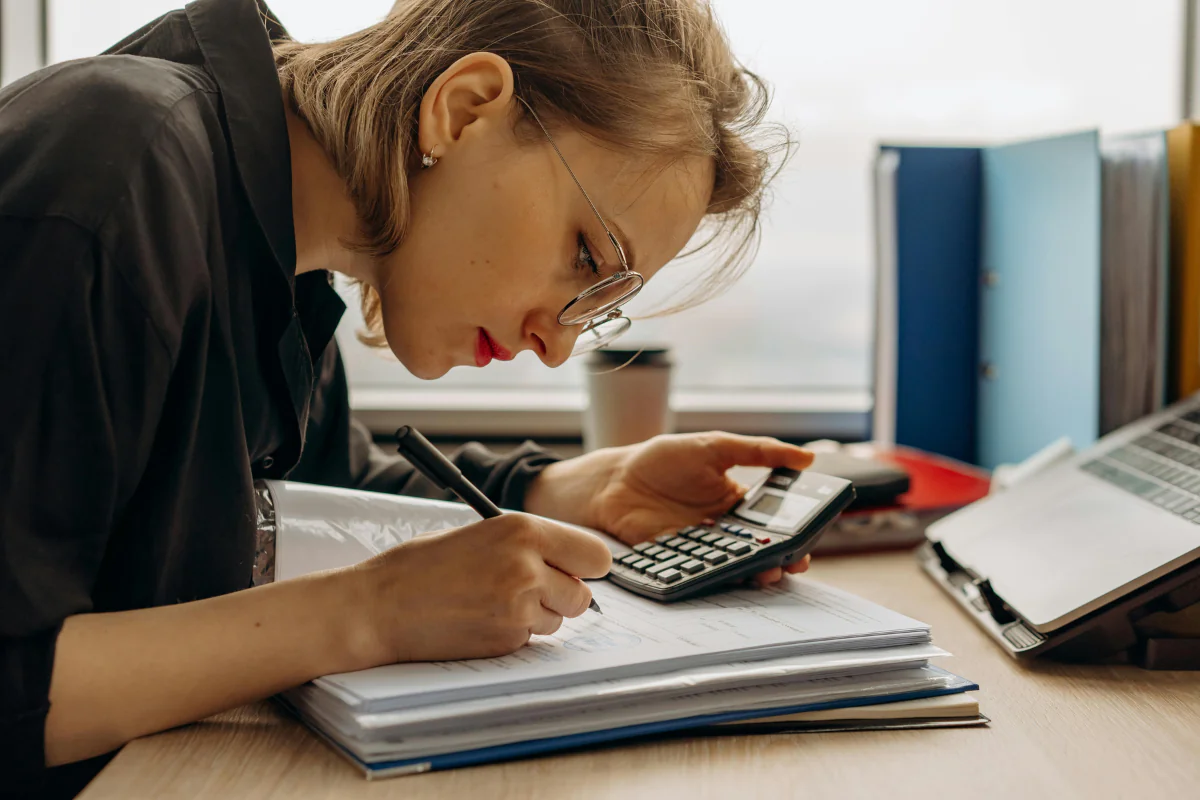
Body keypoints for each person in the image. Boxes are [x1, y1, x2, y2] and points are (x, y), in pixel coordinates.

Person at [0, 0, 816, 795]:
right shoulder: (114, 169)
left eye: (602, 305)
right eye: (585, 254)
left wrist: (562, 492)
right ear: (465, 111)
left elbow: (317, 488)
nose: (559, 342)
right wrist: (370, 614)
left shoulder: (282, 248)